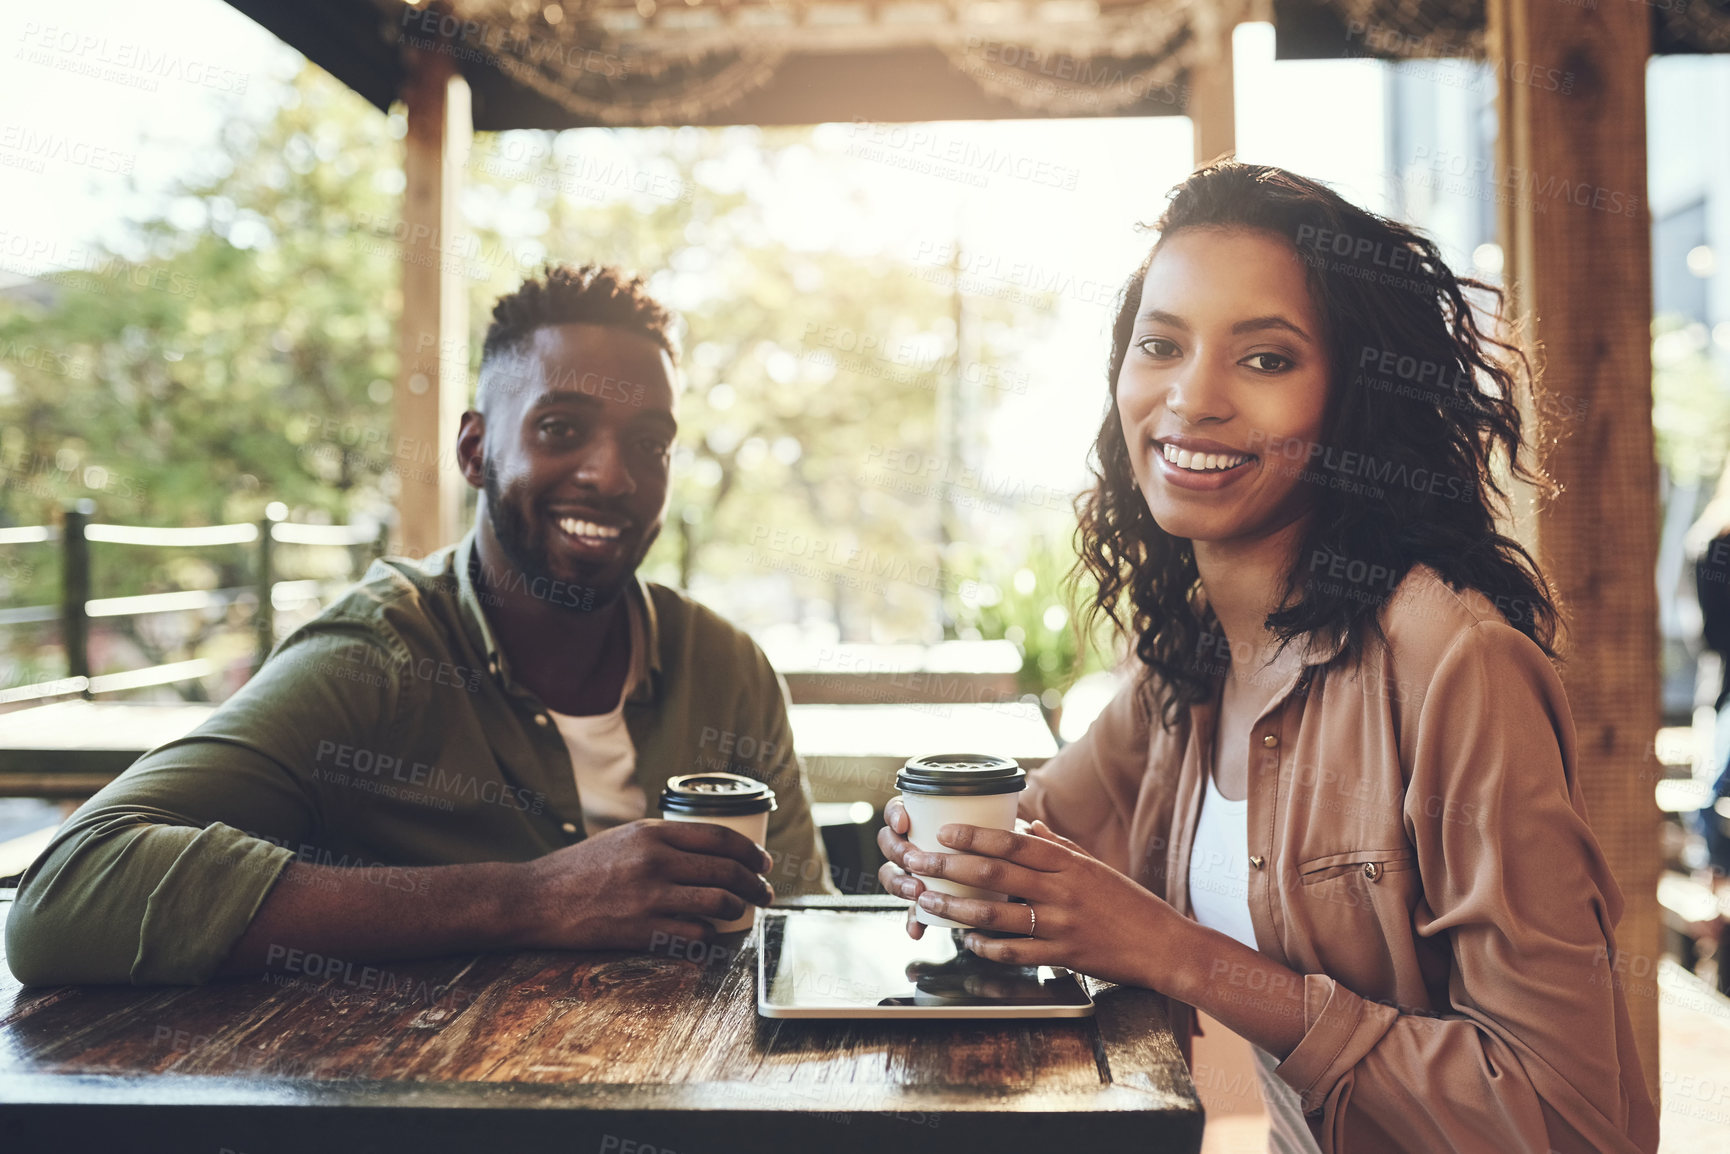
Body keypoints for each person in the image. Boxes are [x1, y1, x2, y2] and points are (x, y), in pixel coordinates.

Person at [877, 163, 1657, 1153]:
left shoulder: (1454, 664)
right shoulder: (1185, 663)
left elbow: (1561, 1117)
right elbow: (1037, 834)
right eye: (1159, 344)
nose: (1191, 397)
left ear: (1353, 398)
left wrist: (1179, 955)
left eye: (1264, 359)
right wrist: (937, 849)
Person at [6, 264, 832, 986]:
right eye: (561, 429)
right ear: (475, 451)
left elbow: (806, 929)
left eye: (649, 443)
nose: (612, 475)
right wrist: (528, 899)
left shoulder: (728, 667)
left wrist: (949, 905)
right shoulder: (382, 653)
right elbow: (69, 895)